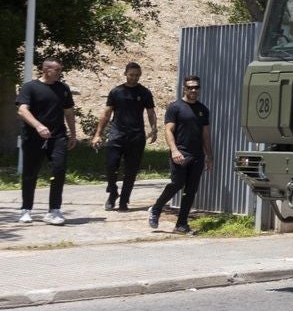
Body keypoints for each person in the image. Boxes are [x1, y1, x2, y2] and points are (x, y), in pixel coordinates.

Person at [15, 59, 78, 225]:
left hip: (57, 137)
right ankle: (26, 209)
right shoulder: (30, 87)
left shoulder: (63, 88)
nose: (59, 73)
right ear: (45, 70)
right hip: (33, 137)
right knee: (30, 173)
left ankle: (54, 210)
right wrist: (38, 126)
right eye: (56, 70)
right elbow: (22, 110)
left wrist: (73, 134)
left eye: (60, 70)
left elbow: (69, 112)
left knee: (59, 169)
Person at [150, 75, 212, 234]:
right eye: (190, 87)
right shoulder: (175, 107)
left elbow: (205, 135)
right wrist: (174, 150)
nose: (193, 90)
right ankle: (156, 208)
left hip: (197, 155)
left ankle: (181, 224)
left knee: (191, 190)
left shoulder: (203, 109)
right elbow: (168, 130)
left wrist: (209, 156)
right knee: (177, 183)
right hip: (180, 153)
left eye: (196, 87)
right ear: (184, 88)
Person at [92, 62, 158, 211]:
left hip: (136, 136)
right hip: (117, 134)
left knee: (131, 170)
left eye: (137, 75)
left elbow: (151, 112)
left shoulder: (144, 92)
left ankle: (124, 200)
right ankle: (113, 192)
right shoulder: (116, 92)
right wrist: (98, 134)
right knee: (110, 165)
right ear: (125, 74)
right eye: (131, 75)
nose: (134, 78)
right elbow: (106, 113)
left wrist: (154, 129)